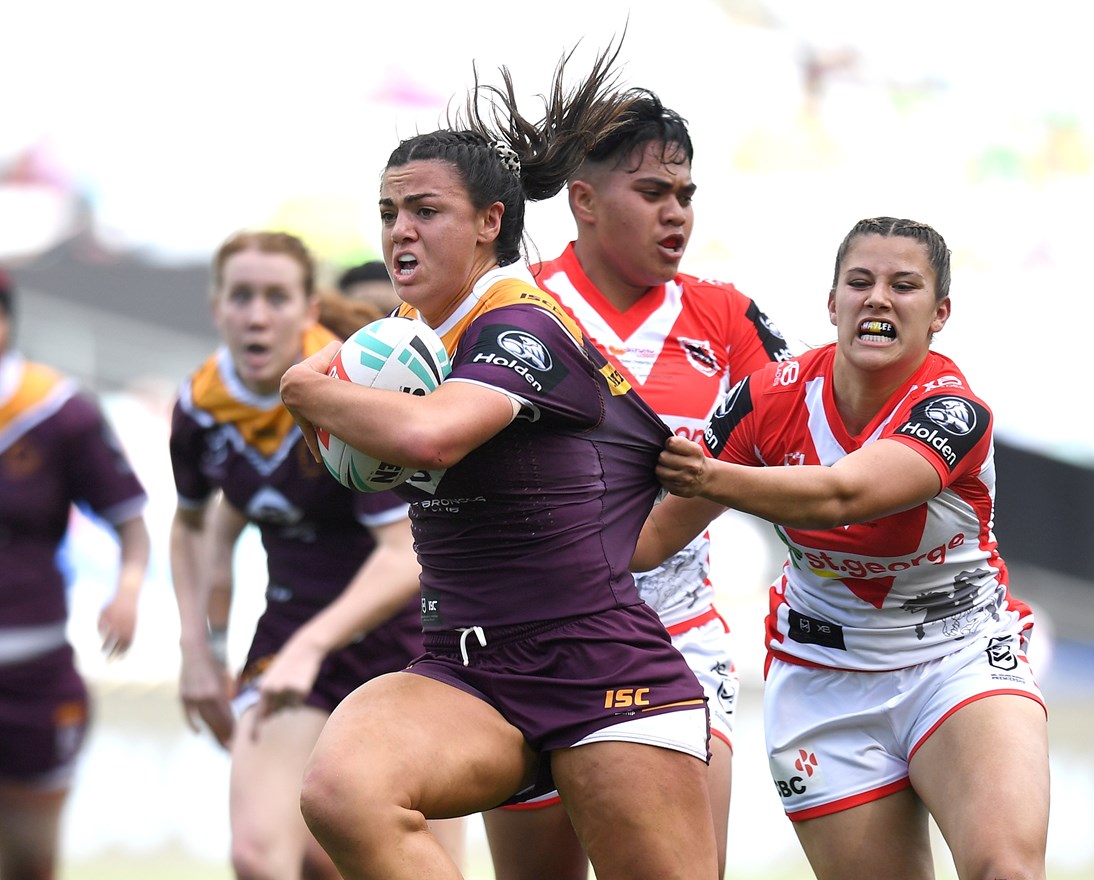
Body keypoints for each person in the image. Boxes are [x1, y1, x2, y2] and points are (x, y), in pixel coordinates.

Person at [279, 44, 719, 880]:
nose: (400, 229)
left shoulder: (523, 322)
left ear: (489, 222)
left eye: (425, 210)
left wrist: (307, 387)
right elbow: (360, 461)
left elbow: (431, 438)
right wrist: (333, 416)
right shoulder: (411, 343)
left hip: (600, 667)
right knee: (343, 791)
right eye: (387, 211)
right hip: (467, 668)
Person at [632, 217, 1050, 880]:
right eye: (860, 281)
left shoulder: (954, 411)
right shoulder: (764, 400)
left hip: (959, 661)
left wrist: (714, 477)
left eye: (903, 285)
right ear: (833, 304)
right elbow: (651, 538)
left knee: (1006, 870)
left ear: (940, 313)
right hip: (824, 682)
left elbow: (843, 495)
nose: (878, 298)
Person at [480, 91, 792, 880]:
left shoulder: (728, 320)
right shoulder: (514, 306)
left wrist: (693, 500)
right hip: (533, 645)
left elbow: (779, 445)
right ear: (583, 201)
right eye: (652, 193)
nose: (676, 213)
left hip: (676, 639)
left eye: (685, 195)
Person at [167, 231, 464, 880]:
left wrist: (310, 645)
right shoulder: (199, 407)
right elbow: (198, 527)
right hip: (289, 631)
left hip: (405, 641)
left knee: (399, 859)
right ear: (216, 307)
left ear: (308, 310)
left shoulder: (347, 384)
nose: (256, 314)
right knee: (261, 856)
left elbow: (401, 557)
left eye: (276, 297)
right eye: (240, 296)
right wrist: (201, 652)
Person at [0, 268, 151, 880]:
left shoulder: (58, 410)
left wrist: (129, 591)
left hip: (35, 670)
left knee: (31, 859)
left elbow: (129, 521)